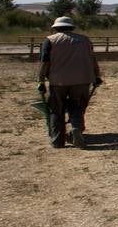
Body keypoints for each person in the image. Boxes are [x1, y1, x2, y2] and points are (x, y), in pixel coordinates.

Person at [38, 16, 102, 148]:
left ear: (55, 28)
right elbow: (92, 60)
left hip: (58, 81)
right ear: (71, 27)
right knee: (77, 106)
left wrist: (41, 80)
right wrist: (97, 76)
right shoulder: (85, 40)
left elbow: (45, 62)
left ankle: (57, 141)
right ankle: (76, 128)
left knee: (56, 109)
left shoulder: (50, 40)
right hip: (82, 80)